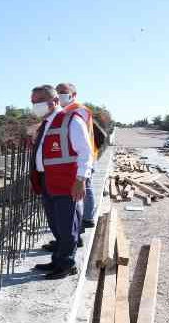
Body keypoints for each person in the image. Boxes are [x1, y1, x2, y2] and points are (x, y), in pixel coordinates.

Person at [29, 84, 93, 279]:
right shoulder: (46, 123)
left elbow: (85, 152)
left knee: (67, 227)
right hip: (48, 180)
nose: (35, 105)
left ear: (54, 101)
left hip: (67, 182)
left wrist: (81, 179)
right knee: (56, 225)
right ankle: (57, 260)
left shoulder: (71, 120)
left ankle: (67, 265)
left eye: (39, 101)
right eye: (33, 102)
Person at [57, 82, 97, 228]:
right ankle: (85, 217)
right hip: (79, 154)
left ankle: (87, 218)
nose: (59, 94)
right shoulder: (67, 110)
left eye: (63, 91)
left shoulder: (79, 110)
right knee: (85, 185)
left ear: (73, 94)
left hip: (84, 154)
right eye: (58, 91)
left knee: (86, 184)